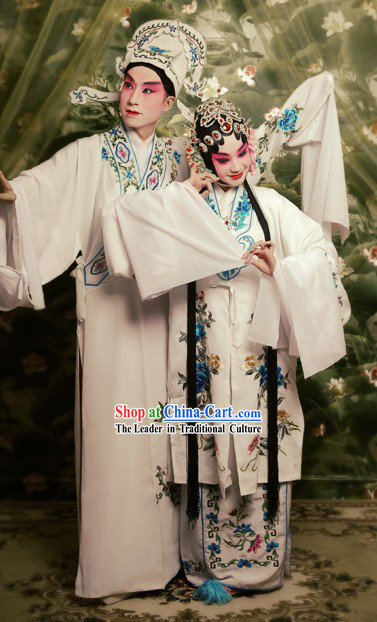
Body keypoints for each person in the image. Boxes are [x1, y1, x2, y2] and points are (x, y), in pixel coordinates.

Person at [99, 97, 350, 602]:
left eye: (242, 155)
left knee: (260, 443)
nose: (235, 167)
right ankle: (204, 563)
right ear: (201, 157)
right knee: (208, 444)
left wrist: (280, 268)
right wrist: (179, 196)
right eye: (222, 159)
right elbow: (119, 224)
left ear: (251, 150)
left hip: (259, 349)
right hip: (201, 348)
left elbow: (322, 259)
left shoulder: (273, 207)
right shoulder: (182, 205)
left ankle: (261, 565)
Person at [0, 19, 207, 603]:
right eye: (128, 85)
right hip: (110, 310)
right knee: (115, 433)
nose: (133, 98)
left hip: (163, 312)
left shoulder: (177, 157)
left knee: (165, 432)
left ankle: (169, 556)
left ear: (169, 102)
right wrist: (13, 193)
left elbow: (211, 208)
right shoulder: (91, 153)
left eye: (149, 90)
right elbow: (43, 188)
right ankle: (114, 567)